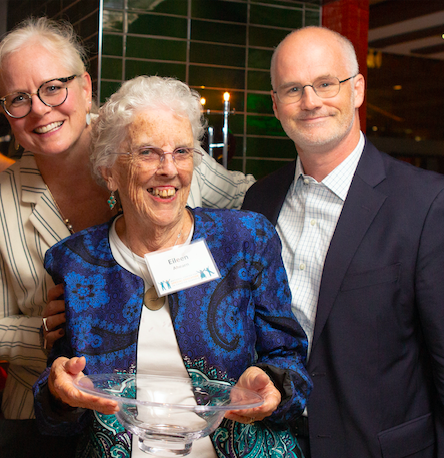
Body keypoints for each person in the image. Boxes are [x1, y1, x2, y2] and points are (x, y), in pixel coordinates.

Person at [240, 26, 444, 458]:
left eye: (326, 83)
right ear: (276, 104)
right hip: (270, 445)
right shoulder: (259, 200)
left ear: (357, 89)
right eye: (292, 89)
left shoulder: (429, 205)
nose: (310, 101)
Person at [0, 17, 254, 456]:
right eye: (19, 99)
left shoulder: (144, 134)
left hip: (175, 409)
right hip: (45, 420)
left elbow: (242, 199)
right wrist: (48, 330)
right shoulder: (3, 200)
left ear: (85, 86)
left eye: (53, 87)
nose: (40, 109)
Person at [33, 75, 310, 457]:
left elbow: (290, 359)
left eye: (181, 152)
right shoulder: (75, 261)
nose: (169, 169)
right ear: (110, 171)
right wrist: (58, 392)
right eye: (148, 152)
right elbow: (58, 410)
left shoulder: (244, 240)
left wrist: (271, 385)